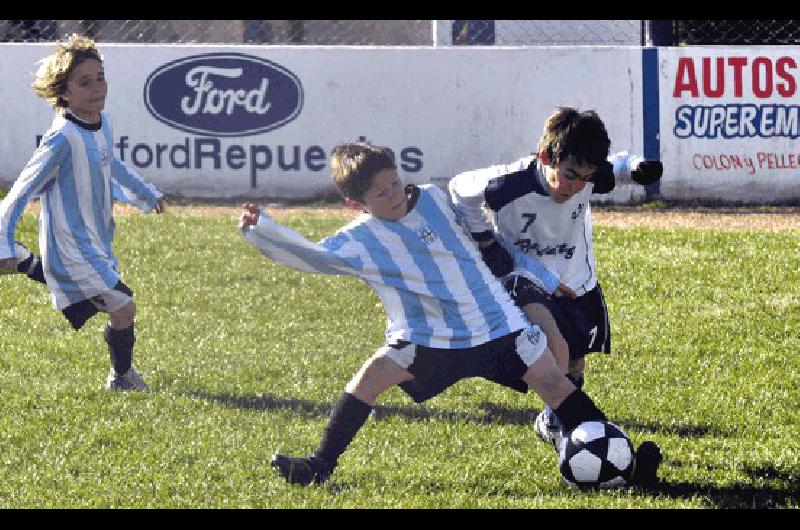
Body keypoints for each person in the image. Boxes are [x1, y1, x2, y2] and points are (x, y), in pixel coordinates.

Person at [239, 141, 661, 487]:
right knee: (370, 378)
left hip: (495, 324)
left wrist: (541, 278)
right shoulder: (360, 240)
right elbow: (311, 256)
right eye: (381, 193)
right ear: (356, 203)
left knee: (554, 381)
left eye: (396, 184)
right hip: (429, 337)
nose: (395, 196)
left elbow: (489, 240)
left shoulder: (437, 200)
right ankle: (319, 466)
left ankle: (622, 463)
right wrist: (263, 230)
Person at [448, 107, 663, 449]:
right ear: (547, 156)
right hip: (525, 276)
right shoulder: (508, 182)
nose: (577, 187)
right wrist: (486, 240)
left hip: (576, 278)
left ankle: (552, 420)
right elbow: (459, 189)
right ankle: (572, 437)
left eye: (585, 178)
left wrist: (638, 169)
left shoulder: (586, 175)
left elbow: (616, 168)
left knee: (576, 358)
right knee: (556, 349)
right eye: (570, 175)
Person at [0, 34, 166, 391]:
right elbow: (19, 192)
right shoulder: (61, 139)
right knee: (123, 306)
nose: (96, 89)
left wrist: (145, 193)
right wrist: (3, 237)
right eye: (84, 82)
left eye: (100, 78)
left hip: (97, 240)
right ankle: (122, 378)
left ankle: (25, 263)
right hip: (71, 245)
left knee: (115, 305)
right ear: (65, 92)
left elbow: (112, 164)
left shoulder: (102, 124)